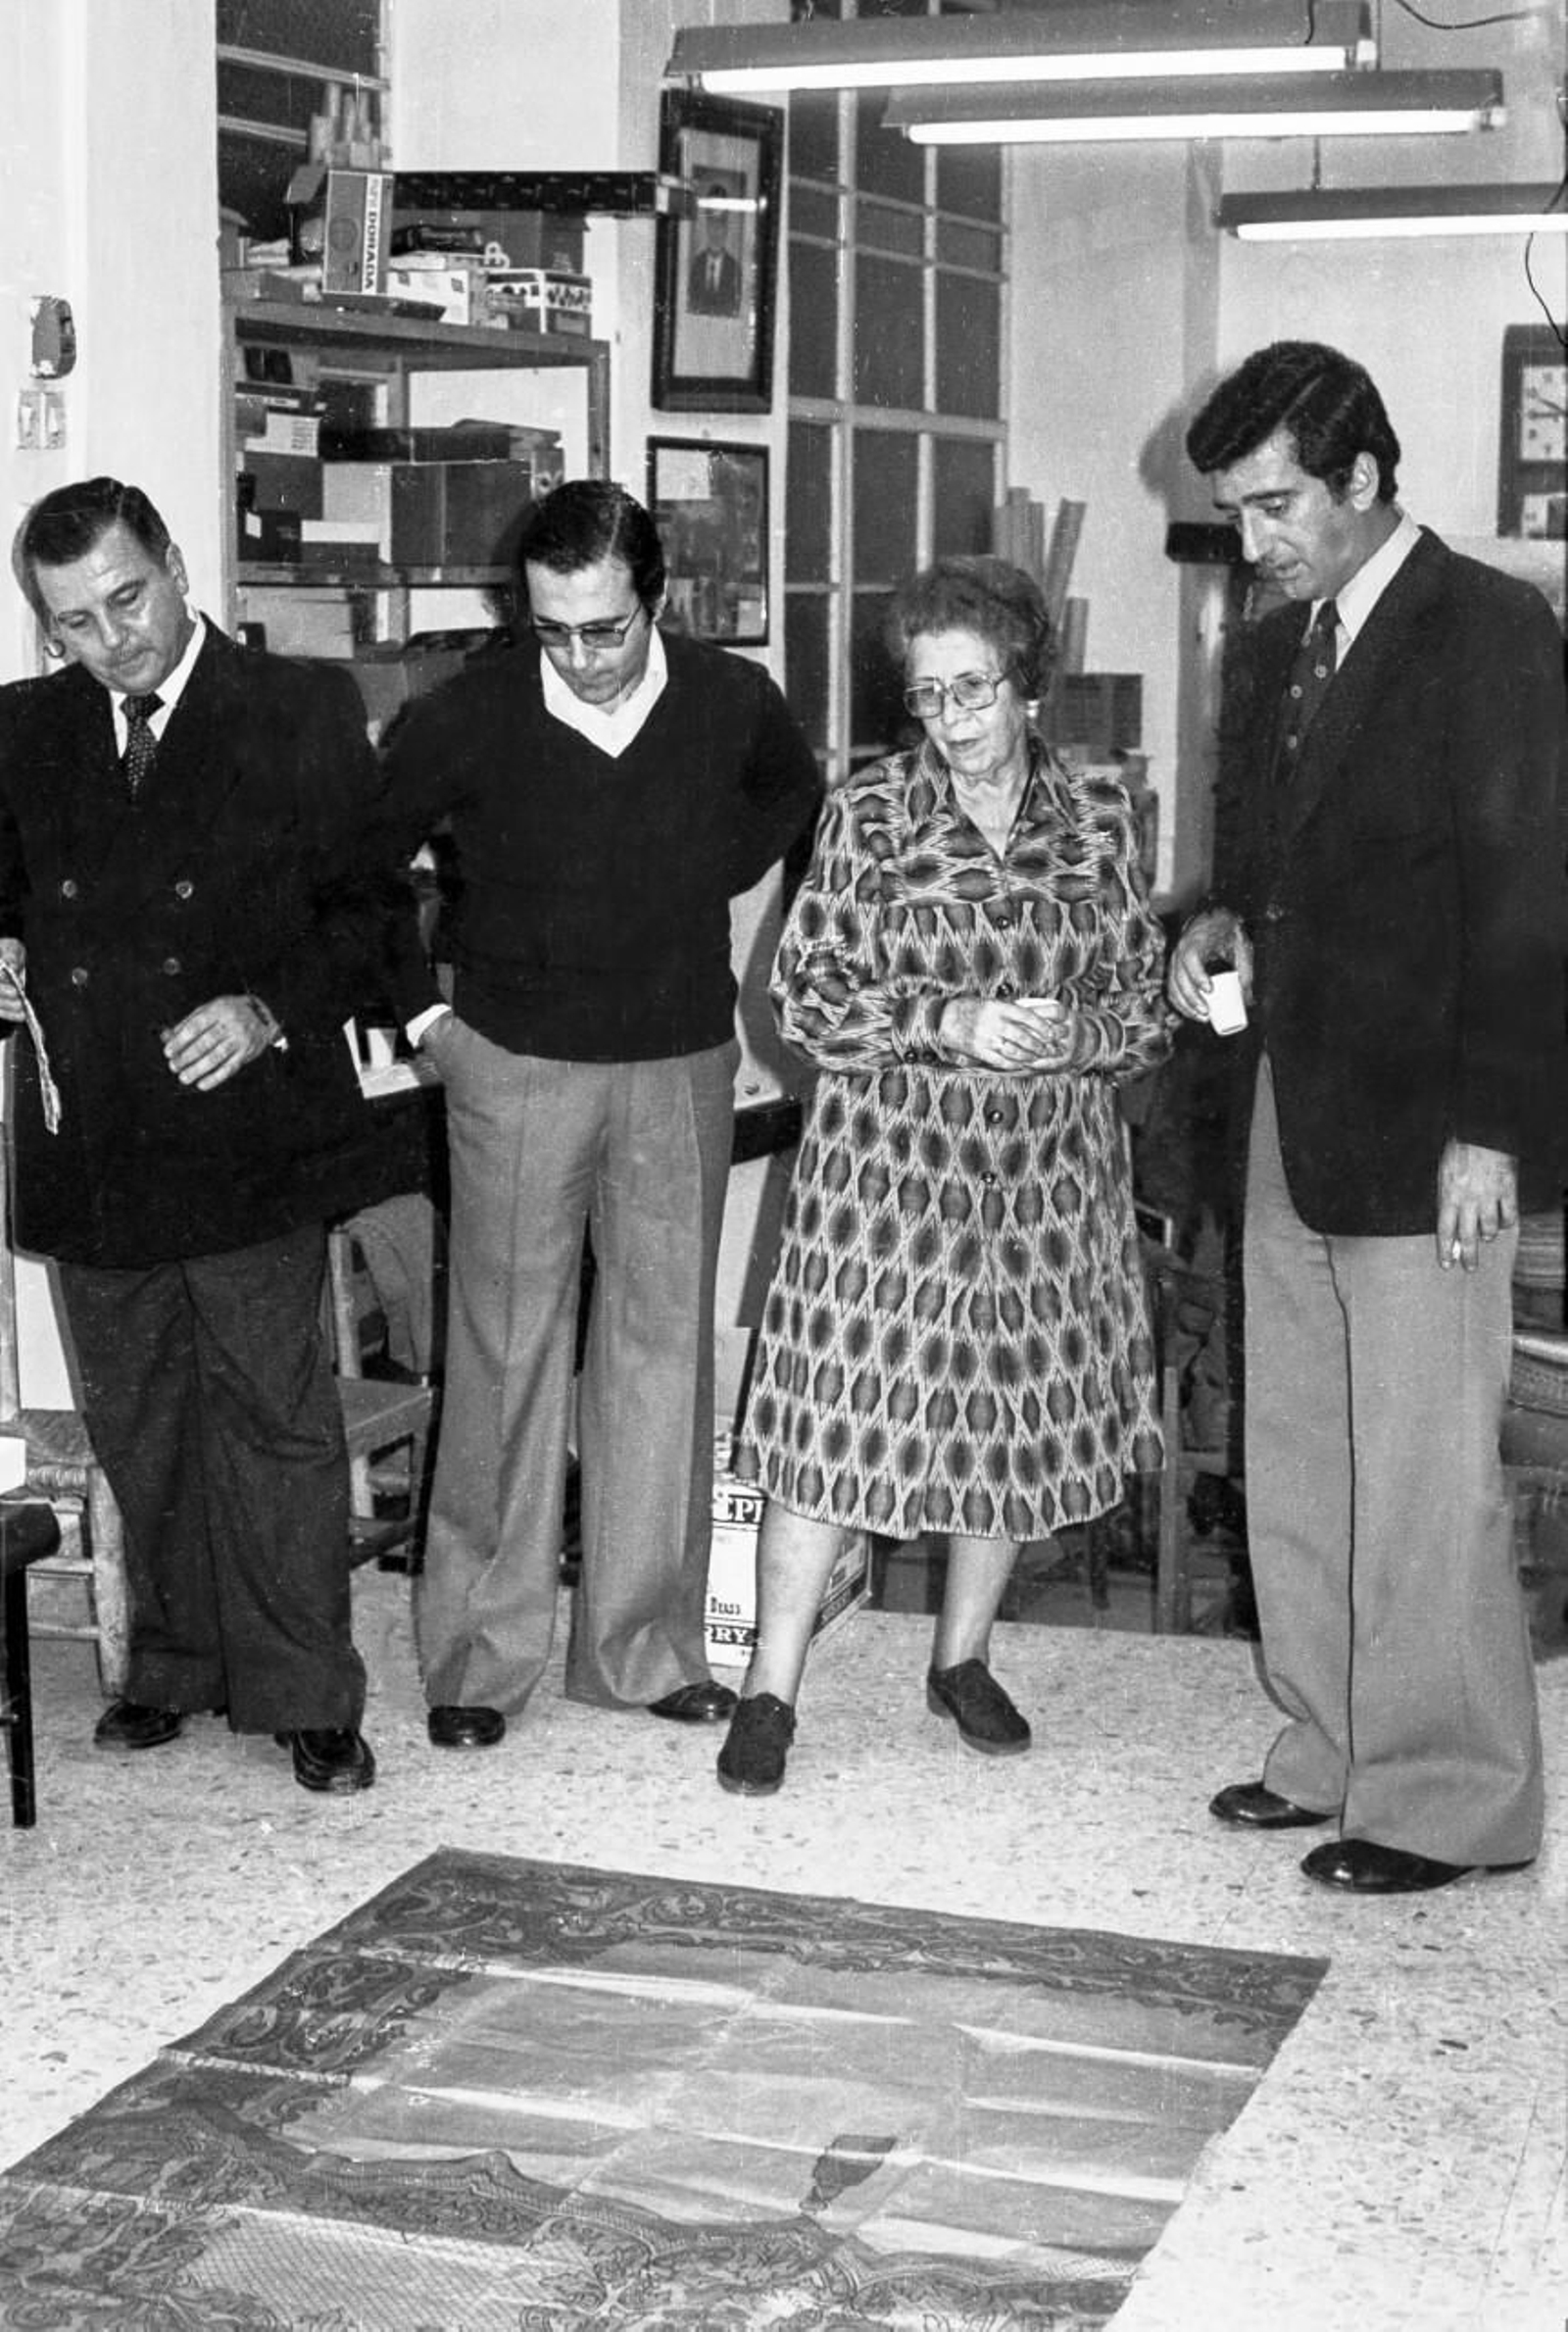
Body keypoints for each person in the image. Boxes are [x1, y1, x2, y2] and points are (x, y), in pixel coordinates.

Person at [1167, 341, 1566, 1894]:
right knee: (1304, 1445)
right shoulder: (1276, 649)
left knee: (1422, 1464)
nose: (1255, 542)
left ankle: (1451, 1796)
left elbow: (1535, 902)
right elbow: (1269, 874)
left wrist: (1496, 1125)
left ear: (1365, 480)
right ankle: (1329, 1744)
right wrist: (1214, 931)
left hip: (1432, 1120)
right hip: (1291, 1093)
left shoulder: (1489, 630)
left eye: (1276, 507)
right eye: (1236, 513)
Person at [376, 479, 821, 1750]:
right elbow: (352, 869)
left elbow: (793, 797)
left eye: (604, 629)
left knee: (658, 1357)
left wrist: (696, 872)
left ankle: (639, 1647)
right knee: (507, 1357)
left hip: (676, 1057)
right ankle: (478, 1654)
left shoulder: (732, 701)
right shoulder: (465, 712)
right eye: (551, 628)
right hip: (512, 1062)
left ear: (657, 604)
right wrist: (424, 1023)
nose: (577, 654)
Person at [716, 555, 1171, 1798]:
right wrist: (947, 1021)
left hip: (1041, 1183)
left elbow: (1140, 1008)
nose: (953, 722)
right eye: (928, 697)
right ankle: (769, 1690)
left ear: (1030, 687)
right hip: (885, 1182)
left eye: (974, 691)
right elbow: (800, 1000)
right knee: (828, 1425)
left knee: (1004, 1422)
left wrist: (1075, 1036)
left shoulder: (1098, 819)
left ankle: (961, 1661)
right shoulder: (867, 816)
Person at [0, 477, 390, 1793]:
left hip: (247, 1124)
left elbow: (371, 914)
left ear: (173, 564)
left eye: (129, 597)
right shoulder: (22, 731)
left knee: (272, 1415)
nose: (116, 639)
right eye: (77, 624)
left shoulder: (296, 710)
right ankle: (167, 1662)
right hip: (93, 1133)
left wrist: (270, 1006)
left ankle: (306, 1689)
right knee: (142, 1421)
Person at [686, 184, 744, 319]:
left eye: (720, 224)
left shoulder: (735, 270)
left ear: (727, 228)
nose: (716, 231)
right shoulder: (696, 265)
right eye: (712, 223)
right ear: (706, 226)